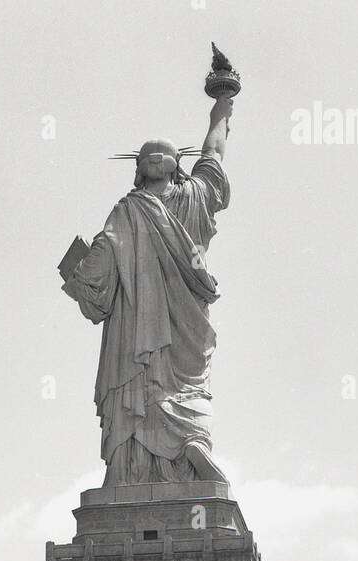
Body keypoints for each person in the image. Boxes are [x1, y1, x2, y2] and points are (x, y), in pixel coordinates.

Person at [63, 94, 236, 486]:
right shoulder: (197, 197)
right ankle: (192, 440)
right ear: (178, 169)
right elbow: (214, 151)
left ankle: (129, 472)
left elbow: (96, 278)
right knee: (183, 389)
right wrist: (223, 106)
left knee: (139, 386)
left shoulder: (126, 211)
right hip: (185, 327)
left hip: (136, 329)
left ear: (139, 172)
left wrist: (74, 271)